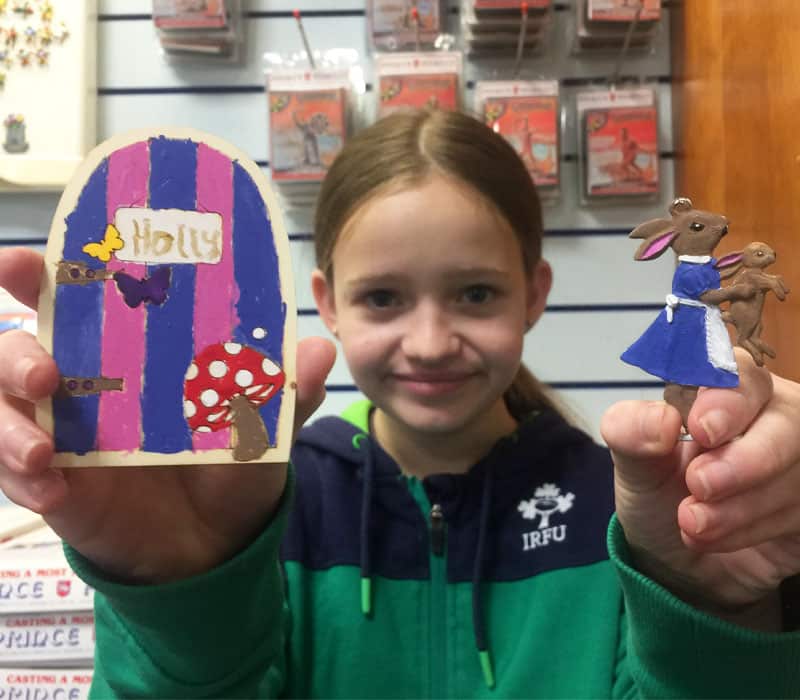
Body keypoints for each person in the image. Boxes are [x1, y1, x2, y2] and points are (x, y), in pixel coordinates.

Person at [0, 109, 799, 698]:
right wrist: (180, 598)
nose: (428, 341)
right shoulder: (255, 512)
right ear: (328, 304)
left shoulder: (631, 515)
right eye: (382, 298)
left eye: (476, 293)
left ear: (534, 295)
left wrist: (715, 616)